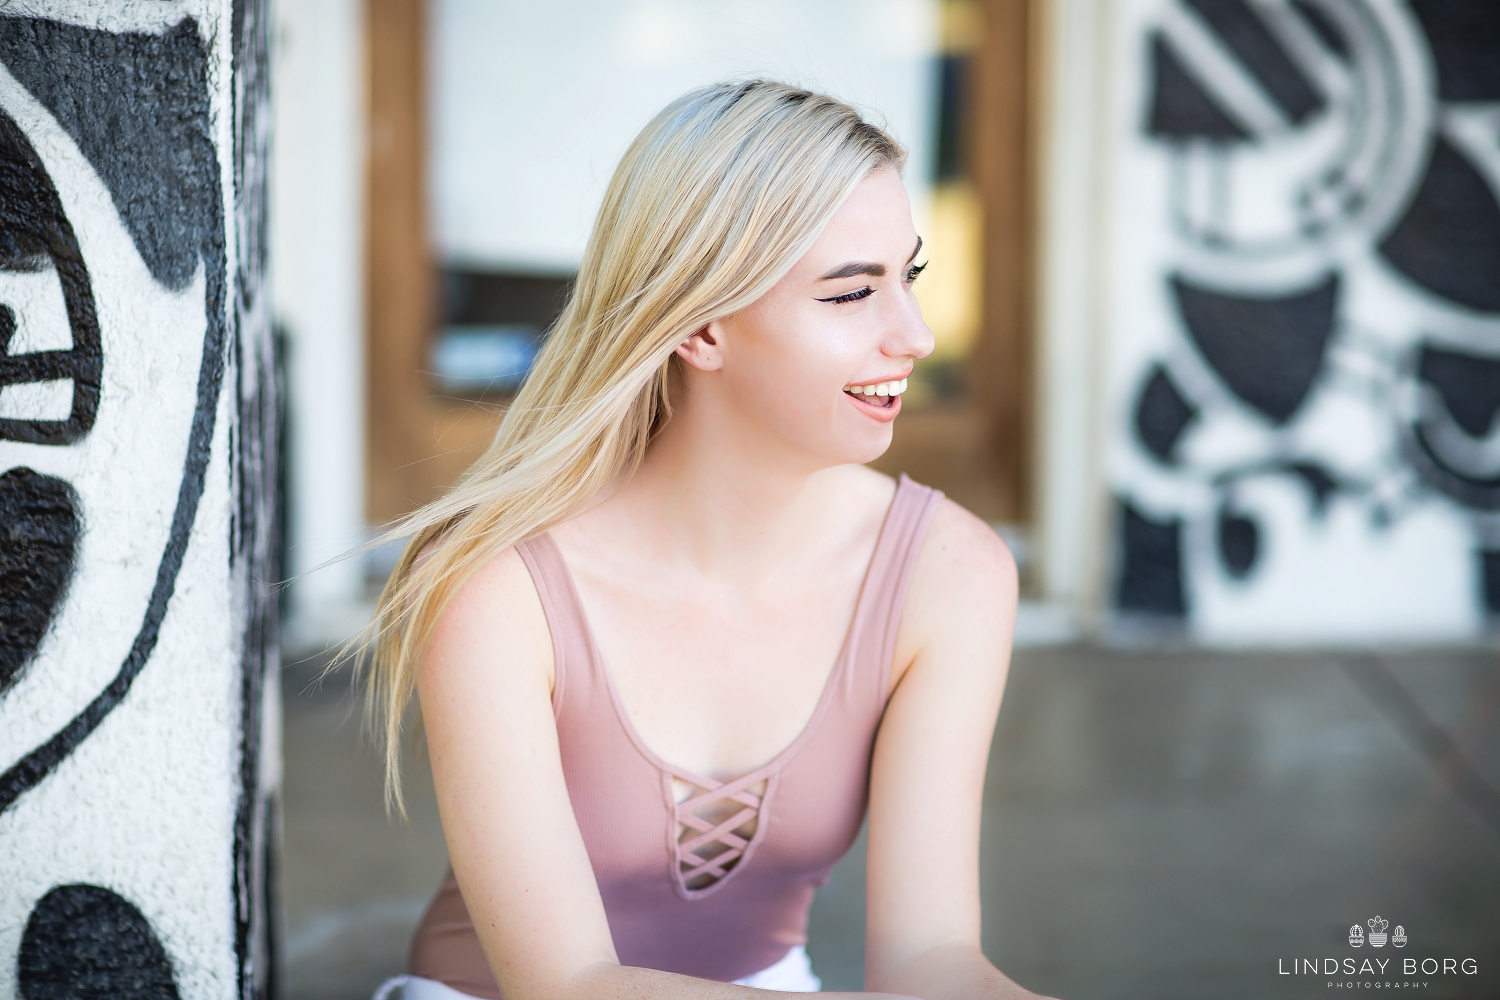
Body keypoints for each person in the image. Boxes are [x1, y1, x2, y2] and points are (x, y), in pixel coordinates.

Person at [361, 80, 1049, 1000]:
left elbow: (929, 958)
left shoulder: (950, 573)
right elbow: (567, 984)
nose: (915, 336)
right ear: (701, 327)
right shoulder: (500, 591)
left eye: (909, 278)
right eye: (851, 294)